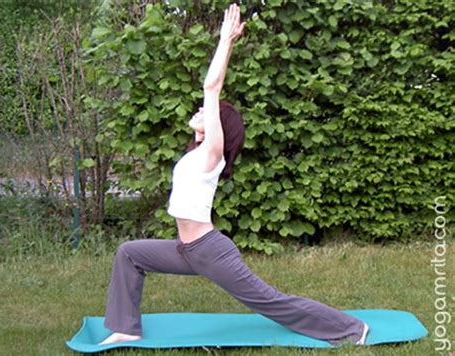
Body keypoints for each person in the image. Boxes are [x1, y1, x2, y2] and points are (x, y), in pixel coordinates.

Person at [99, 3, 369, 346]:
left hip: (209, 250)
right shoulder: (196, 154)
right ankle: (126, 327)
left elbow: (211, 88)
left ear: (218, 129)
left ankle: (351, 328)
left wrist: (226, 40)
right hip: (186, 249)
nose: (200, 111)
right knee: (130, 253)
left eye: (208, 114)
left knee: (270, 301)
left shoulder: (213, 153)